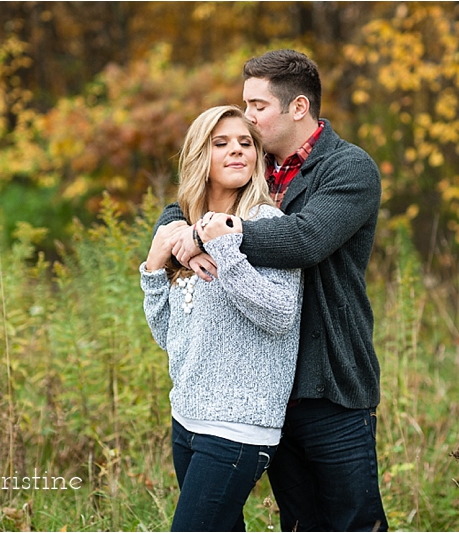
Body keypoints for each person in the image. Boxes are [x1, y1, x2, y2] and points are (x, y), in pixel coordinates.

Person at [156, 50, 388, 531]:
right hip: (263, 389)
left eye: (257, 106)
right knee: (300, 523)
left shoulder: (348, 169)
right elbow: (192, 194)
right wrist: (180, 230)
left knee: (351, 524)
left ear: (298, 108)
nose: (248, 116)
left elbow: (306, 239)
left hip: (329, 385)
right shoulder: (254, 165)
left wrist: (214, 233)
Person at [140, 105, 303, 532]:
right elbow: (169, 337)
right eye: (222, 143)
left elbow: (281, 315)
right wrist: (154, 269)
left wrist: (227, 250)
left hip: (237, 426)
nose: (237, 151)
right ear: (200, 156)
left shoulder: (267, 223)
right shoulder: (183, 230)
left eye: (246, 143)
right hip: (186, 421)